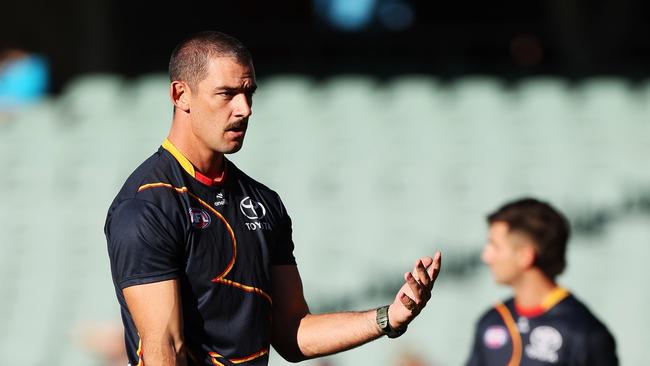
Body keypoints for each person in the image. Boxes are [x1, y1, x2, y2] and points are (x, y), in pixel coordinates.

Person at [105, 31, 441, 366]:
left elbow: (292, 332)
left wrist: (388, 318)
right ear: (181, 95)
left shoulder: (263, 202)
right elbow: (164, 347)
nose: (244, 109)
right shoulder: (147, 205)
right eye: (227, 93)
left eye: (249, 93)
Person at [465, 198, 618, 366]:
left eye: (495, 246)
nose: (486, 256)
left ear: (525, 256)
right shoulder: (492, 320)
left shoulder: (584, 332)